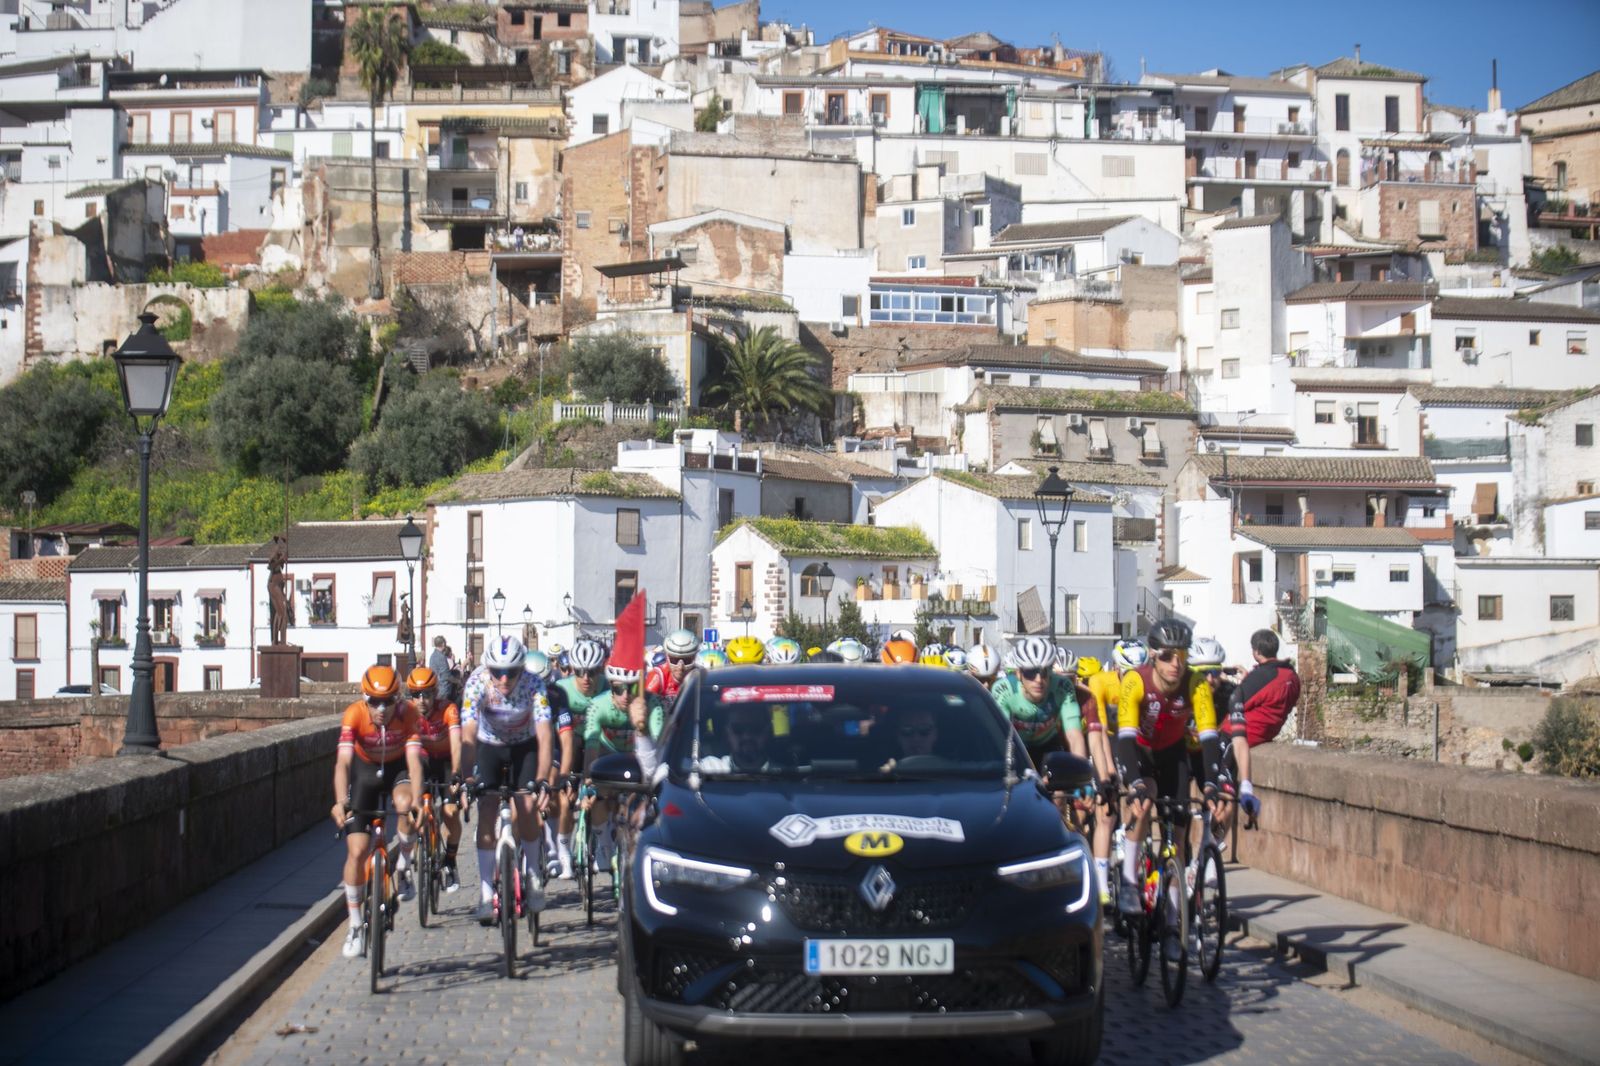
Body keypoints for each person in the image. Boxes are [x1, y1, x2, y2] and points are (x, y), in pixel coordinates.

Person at [1114, 619, 1228, 957]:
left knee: (1177, 840)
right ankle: (1130, 885)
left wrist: (1210, 785)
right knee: (1144, 798)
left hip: (1173, 754)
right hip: (1140, 751)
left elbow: (1208, 737)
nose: (1175, 663)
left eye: (1181, 655)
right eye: (1167, 656)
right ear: (1153, 656)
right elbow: (1124, 738)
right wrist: (1134, 783)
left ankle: (1173, 924)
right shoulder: (1135, 680)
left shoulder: (1195, 683)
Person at [331, 665, 426, 959]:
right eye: (374, 701)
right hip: (364, 773)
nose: (381, 708)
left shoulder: (409, 713)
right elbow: (343, 763)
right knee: (357, 852)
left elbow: (414, 762)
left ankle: (404, 865)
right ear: (364, 699)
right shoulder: (354, 715)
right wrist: (339, 800)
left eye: (388, 701)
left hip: (397, 770)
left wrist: (418, 800)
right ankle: (357, 926)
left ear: (398, 699)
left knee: (403, 805)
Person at [460, 635, 554, 924]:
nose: (503, 679)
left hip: (523, 747)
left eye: (511, 672)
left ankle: (534, 878)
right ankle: (487, 894)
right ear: (488, 669)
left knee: (526, 807)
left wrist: (542, 779)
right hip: (489, 746)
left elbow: (545, 734)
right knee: (486, 810)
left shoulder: (533, 684)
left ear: (521, 670)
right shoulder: (476, 682)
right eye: (497, 672)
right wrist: (466, 779)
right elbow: (467, 733)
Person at [582, 656, 666, 889]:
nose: (626, 695)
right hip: (607, 757)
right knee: (599, 798)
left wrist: (642, 724)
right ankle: (603, 844)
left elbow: (659, 747)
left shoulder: (654, 704)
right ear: (611, 686)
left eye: (633, 688)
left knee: (638, 808)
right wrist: (588, 780)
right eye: (619, 689)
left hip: (639, 761)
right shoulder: (598, 705)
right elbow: (590, 747)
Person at [1224, 629, 1301, 825]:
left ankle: (1217, 835)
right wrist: (1248, 678)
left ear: (1256, 652)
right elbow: (1271, 696)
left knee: (1221, 788)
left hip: (1243, 735)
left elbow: (1240, 702)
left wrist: (1236, 684)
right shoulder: (1291, 675)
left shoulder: (1263, 675)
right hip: (1269, 732)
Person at [401, 666, 464, 892]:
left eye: (426, 694)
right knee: (411, 806)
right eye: (416, 695)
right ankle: (420, 844)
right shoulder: (406, 712)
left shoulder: (448, 709)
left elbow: (457, 743)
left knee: (450, 813)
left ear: (435, 693)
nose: (421, 700)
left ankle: (450, 858)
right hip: (424, 761)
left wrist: (457, 772)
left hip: (447, 760)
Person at [552, 638, 607, 877]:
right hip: (570, 747)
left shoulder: (610, 687)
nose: (587, 678)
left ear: (601, 670)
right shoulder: (561, 689)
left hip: (599, 744)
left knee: (602, 796)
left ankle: (603, 841)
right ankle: (564, 851)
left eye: (593, 672)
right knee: (564, 801)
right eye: (580, 672)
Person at [991, 636, 1088, 761]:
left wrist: (1080, 772)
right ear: (1019, 674)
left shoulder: (1062, 687)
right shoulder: (1004, 690)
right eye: (1031, 672)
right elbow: (999, 736)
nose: (1038, 680)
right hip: (1017, 747)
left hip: (1048, 745)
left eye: (1044, 672)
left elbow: (1074, 735)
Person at [647, 628, 700, 700]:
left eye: (687, 660)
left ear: (694, 658)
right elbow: (646, 703)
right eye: (675, 660)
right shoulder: (659, 676)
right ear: (667, 657)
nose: (680, 667)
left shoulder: (701, 677)